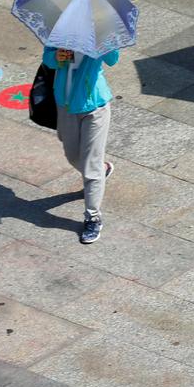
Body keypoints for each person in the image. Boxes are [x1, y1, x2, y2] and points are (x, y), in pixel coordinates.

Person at [42, 46, 119, 244]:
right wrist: (56, 56)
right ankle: (103, 170)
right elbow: (48, 60)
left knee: (90, 167)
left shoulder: (101, 34)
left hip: (94, 107)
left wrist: (103, 43)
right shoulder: (62, 31)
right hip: (65, 104)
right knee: (72, 155)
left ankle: (92, 217)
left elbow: (112, 59)